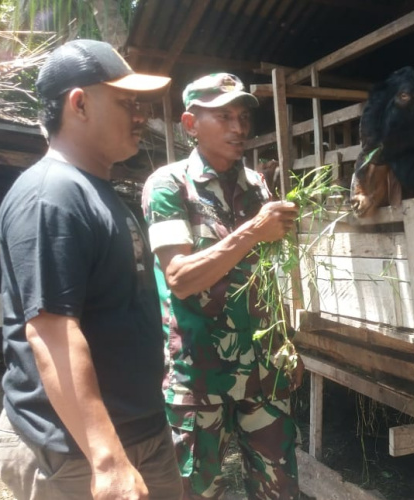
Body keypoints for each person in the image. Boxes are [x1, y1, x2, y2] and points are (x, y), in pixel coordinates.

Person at [0, 39, 182, 500]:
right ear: (79, 103)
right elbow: (52, 332)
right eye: (127, 103)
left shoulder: (97, 190)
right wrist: (108, 460)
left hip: (138, 431)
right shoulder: (51, 196)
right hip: (75, 452)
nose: (142, 117)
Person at [141, 73, 301, 500]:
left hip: (264, 374)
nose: (239, 128)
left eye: (243, 116)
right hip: (199, 377)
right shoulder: (168, 186)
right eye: (224, 116)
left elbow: (266, 275)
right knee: (195, 491)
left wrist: (285, 344)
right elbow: (179, 278)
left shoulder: (257, 187)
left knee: (278, 489)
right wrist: (252, 231)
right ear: (190, 124)